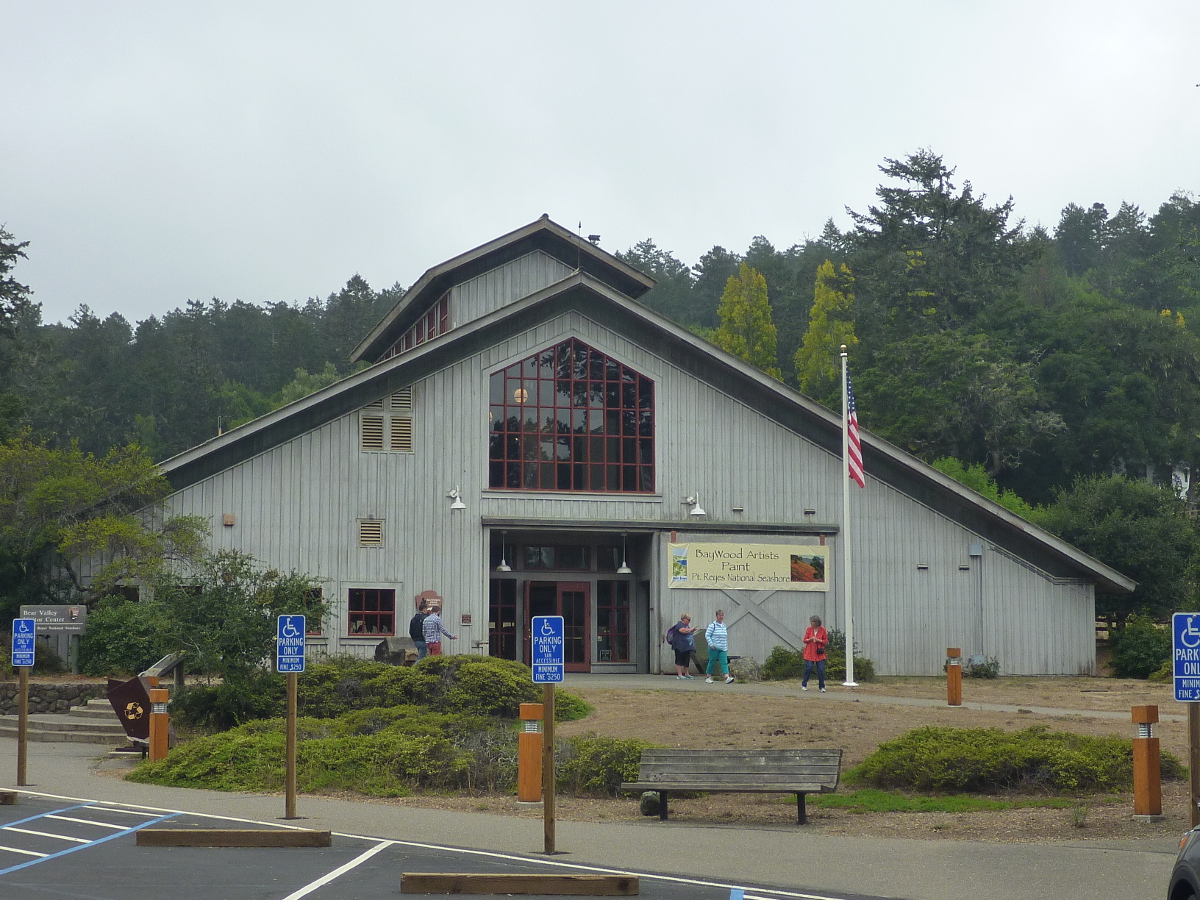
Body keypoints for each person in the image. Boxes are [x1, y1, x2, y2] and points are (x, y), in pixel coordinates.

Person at [704, 609, 734, 684]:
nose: (721, 617)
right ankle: (708, 676)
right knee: (712, 661)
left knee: (724, 662)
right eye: (719, 615)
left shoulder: (724, 626)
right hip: (714, 648)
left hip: (723, 648)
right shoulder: (712, 625)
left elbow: (724, 637)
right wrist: (711, 644)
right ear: (716, 616)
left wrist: (725, 646)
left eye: (722, 615)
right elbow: (707, 635)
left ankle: (726, 677)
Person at [801, 615, 828, 692]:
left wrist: (818, 640)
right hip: (810, 652)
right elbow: (805, 640)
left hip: (819, 653)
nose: (811, 623)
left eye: (812, 621)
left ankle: (822, 686)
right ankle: (804, 684)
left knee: (821, 669)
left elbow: (825, 641)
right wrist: (810, 639)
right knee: (808, 668)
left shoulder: (823, 630)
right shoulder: (809, 629)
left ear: (816, 622)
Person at [669, 613, 697, 679]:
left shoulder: (687, 626)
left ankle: (687, 674)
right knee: (679, 659)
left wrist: (691, 630)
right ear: (684, 619)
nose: (689, 621)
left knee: (686, 660)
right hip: (679, 645)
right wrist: (690, 630)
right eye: (688, 620)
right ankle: (680, 674)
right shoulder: (679, 624)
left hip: (687, 646)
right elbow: (683, 631)